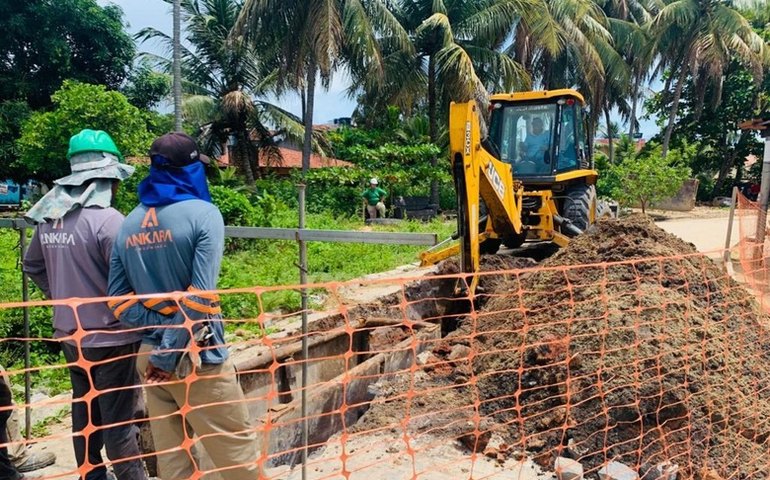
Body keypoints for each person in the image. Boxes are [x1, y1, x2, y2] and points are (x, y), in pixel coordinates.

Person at [107, 132, 258, 480]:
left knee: (174, 460)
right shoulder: (204, 215)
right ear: (190, 170)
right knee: (237, 452)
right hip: (195, 356)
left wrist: (158, 333)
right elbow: (201, 296)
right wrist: (169, 352)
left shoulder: (128, 223)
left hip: (147, 357)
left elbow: (117, 302)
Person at [22, 130, 148, 480]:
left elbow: (32, 265)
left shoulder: (50, 221)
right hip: (112, 338)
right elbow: (133, 281)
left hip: (70, 335)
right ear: (107, 180)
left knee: (85, 411)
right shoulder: (110, 222)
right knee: (119, 422)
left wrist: (61, 299)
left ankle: (90, 476)